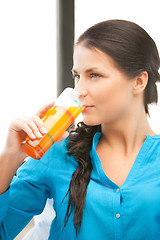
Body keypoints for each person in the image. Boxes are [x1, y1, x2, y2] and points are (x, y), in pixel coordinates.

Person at [0, 19, 160, 240]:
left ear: (139, 81)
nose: (78, 90)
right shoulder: (56, 153)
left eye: (94, 75)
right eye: (77, 76)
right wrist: (9, 157)